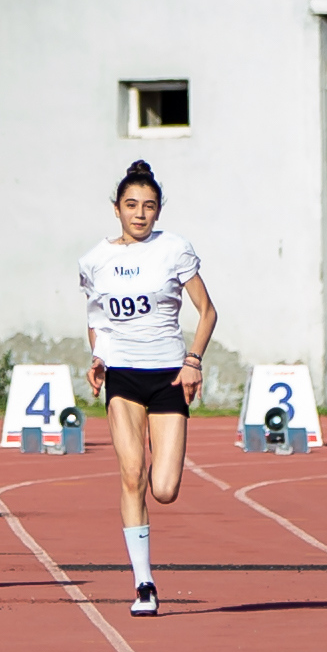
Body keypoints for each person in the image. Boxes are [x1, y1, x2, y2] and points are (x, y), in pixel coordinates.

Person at [80, 159, 217, 618]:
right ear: (116, 208)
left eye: (149, 206)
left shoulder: (174, 250)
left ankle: (145, 574)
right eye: (131, 205)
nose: (140, 214)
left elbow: (207, 311)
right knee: (131, 473)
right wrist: (98, 357)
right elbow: (96, 321)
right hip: (122, 375)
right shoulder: (95, 260)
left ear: (159, 211)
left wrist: (193, 361)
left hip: (168, 376)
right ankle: (143, 583)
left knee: (164, 488)